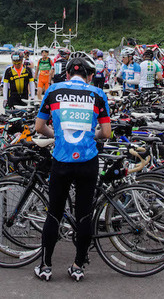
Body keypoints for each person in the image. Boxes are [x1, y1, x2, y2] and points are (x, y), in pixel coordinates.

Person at [34, 53, 111, 282]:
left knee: (54, 213)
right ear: (89, 76)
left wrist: (56, 136)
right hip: (88, 161)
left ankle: (46, 266)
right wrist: (92, 134)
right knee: (84, 214)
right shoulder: (98, 94)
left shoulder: (53, 90)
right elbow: (106, 133)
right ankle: (78, 266)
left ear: (67, 74)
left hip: (62, 159)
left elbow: (39, 126)